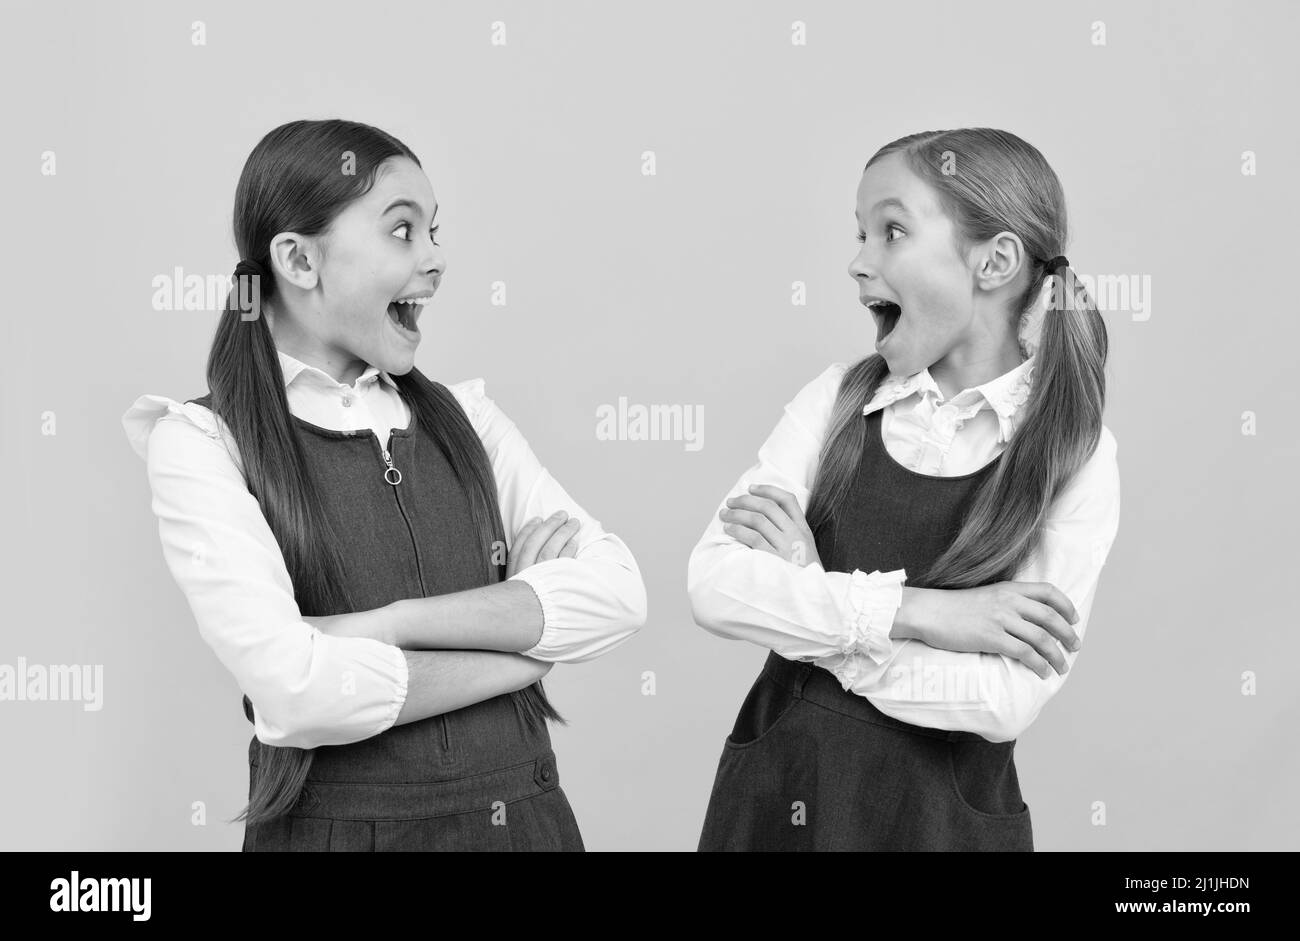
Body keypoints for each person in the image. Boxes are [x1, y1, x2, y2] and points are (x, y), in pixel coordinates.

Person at [123, 118, 647, 851]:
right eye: (403, 232)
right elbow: (294, 688)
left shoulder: (470, 416)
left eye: (435, 231)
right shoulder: (200, 442)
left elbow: (619, 594)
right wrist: (521, 646)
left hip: (524, 827)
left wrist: (389, 622)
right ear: (299, 260)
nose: (436, 259)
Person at [690, 127, 1121, 851]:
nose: (858, 263)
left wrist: (812, 596)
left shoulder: (1075, 456)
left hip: (937, 829)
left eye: (892, 231)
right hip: (775, 803)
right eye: (861, 234)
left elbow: (1003, 698)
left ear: (996, 260)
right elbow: (715, 583)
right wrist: (923, 613)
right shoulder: (834, 401)